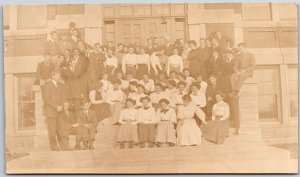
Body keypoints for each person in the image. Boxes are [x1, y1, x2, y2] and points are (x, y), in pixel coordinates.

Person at [43, 70, 67, 151]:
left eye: (59, 75)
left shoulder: (60, 85)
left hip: (60, 111)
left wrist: (62, 105)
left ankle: (63, 146)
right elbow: (47, 99)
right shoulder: (48, 85)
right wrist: (56, 107)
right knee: (52, 131)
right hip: (51, 112)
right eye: (57, 75)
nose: (58, 77)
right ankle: (54, 147)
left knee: (60, 130)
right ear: (52, 76)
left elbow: (64, 97)